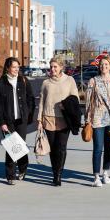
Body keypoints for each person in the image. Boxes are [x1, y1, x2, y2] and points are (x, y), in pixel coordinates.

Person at [0, 57, 35, 185]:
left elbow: (31, 99)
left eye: (18, 67)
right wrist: (1, 123)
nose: (17, 69)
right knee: (11, 147)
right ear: (7, 68)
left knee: (20, 145)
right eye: (14, 67)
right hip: (8, 120)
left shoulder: (23, 80)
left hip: (21, 119)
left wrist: (28, 115)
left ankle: (22, 168)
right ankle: (10, 175)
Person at [37, 57, 79, 186]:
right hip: (48, 118)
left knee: (61, 148)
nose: (53, 69)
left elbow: (75, 98)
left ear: (61, 67)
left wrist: (65, 104)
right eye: (51, 67)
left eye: (55, 66)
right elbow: (41, 102)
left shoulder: (69, 80)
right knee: (53, 149)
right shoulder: (46, 83)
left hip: (64, 119)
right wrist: (39, 120)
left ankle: (59, 175)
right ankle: (55, 172)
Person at [85, 56, 110, 187]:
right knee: (98, 148)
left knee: (109, 148)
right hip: (97, 118)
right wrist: (87, 119)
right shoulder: (93, 81)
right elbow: (88, 102)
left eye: (106, 64)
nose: (104, 67)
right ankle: (96, 176)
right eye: (101, 64)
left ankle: (105, 172)